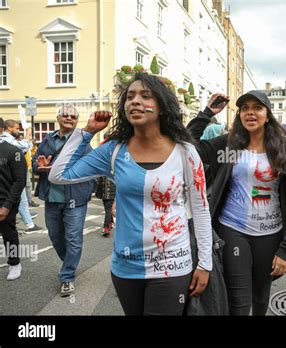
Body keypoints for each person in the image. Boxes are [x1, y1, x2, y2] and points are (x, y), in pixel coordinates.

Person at [48, 73, 213, 315]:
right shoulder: (114, 150)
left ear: (162, 106)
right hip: (126, 267)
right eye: (130, 96)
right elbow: (59, 175)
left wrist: (205, 263)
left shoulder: (185, 152)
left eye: (146, 96)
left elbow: (200, 209)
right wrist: (86, 132)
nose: (134, 101)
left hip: (172, 265)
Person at [187, 90, 286, 316]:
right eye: (245, 108)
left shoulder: (285, 149)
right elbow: (188, 147)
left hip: (271, 234)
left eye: (257, 108)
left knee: (261, 298)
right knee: (239, 303)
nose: (250, 113)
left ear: (267, 114)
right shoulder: (228, 144)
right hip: (233, 230)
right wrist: (206, 113)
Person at [32, 105, 95, 297]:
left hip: (75, 198)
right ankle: (69, 263)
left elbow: (89, 168)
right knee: (55, 237)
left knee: (73, 239)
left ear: (77, 121)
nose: (69, 118)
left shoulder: (82, 142)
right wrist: (39, 166)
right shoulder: (48, 140)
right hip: (52, 197)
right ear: (58, 118)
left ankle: (67, 277)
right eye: (65, 115)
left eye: (73, 116)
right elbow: (36, 163)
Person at [0, 120, 42, 232]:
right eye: (17, 128)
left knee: (21, 199)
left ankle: (28, 224)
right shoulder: (7, 140)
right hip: (11, 176)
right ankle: (28, 224)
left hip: (12, 175)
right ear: (9, 128)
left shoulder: (10, 139)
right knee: (19, 198)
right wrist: (28, 132)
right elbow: (24, 146)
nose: (18, 131)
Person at [0, 117, 27, 280]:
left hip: (5, 201)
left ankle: (14, 263)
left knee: (8, 233)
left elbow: (20, 180)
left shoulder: (12, 151)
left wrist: (7, 205)